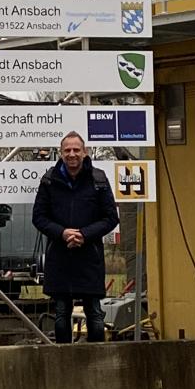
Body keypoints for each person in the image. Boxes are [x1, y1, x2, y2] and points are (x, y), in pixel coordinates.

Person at [32, 131, 119, 344]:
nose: (72, 154)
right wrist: (62, 233)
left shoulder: (98, 180)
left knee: (95, 316)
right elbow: (39, 217)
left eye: (76, 150)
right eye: (67, 150)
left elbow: (110, 218)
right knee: (61, 316)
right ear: (61, 153)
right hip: (59, 258)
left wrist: (84, 234)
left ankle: (97, 363)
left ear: (85, 152)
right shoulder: (49, 181)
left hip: (90, 257)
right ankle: (64, 365)